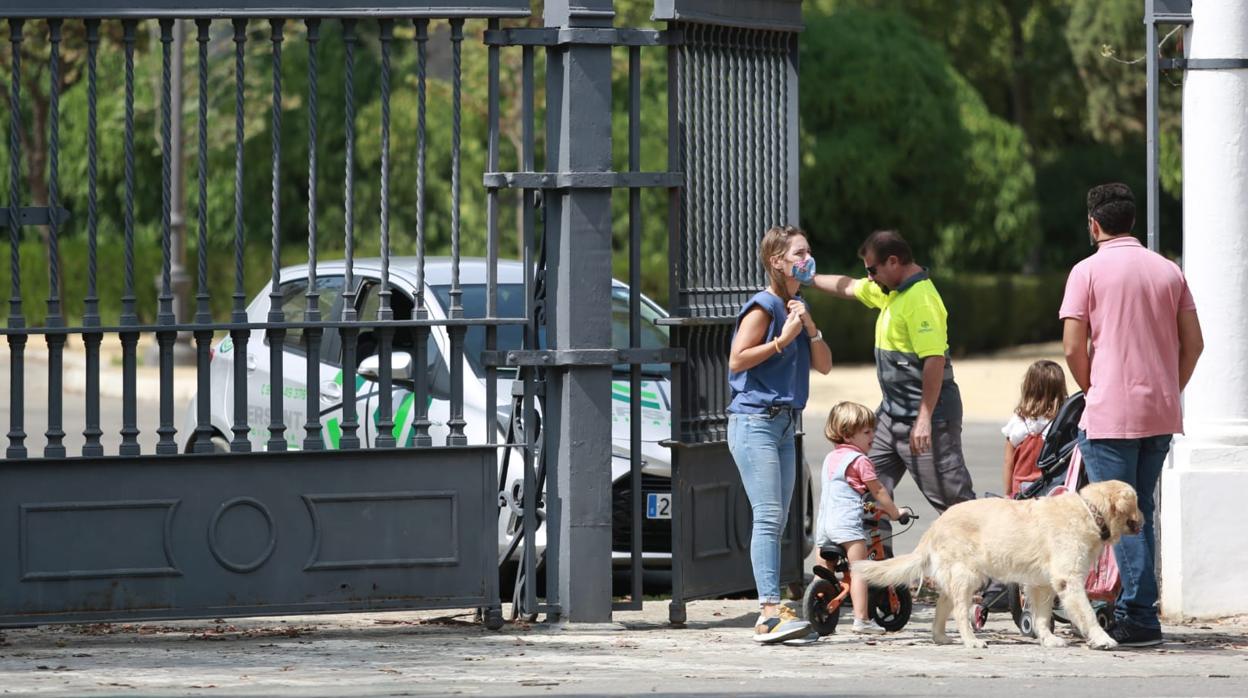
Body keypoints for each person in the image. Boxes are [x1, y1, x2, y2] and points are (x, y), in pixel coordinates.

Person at [1060, 182, 1204, 647]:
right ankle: (1137, 608)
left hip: (1110, 414)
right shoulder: (1169, 271)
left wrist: (1092, 388)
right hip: (1159, 412)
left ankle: (1139, 616)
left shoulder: (1086, 271)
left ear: (1093, 224)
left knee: (1120, 519)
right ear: (1133, 222)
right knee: (1142, 510)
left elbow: (1071, 346)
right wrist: (1169, 387)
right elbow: (1195, 342)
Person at [809, 230, 975, 528]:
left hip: (928, 419)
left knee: (957, 509)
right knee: (863, 490)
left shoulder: (920, 300)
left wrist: (923, 418)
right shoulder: (891, 292)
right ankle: (877, 571)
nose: (869, 277)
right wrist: (807, 277)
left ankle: (995, 574)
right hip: (890, 416)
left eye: (873, 269)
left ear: (894, 262)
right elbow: (847, 287)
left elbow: (934, 361)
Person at [728, 224, 833, 644]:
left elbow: (824, 364)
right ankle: (769, 612)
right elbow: (737, 361)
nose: (807, 260)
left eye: (808, 252)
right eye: (799, 254)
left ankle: (775, 610)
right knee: (769, 517)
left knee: (781, 518)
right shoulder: (764, 308)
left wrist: (807, 326)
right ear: (777, 261)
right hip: (755, 421)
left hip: (785, 424)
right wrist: (780, 340)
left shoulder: (795, 305)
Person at [815, 401, 911, 635]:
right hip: (846, 524)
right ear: (848, 435)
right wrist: (895, 512)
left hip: (825, 523)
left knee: (824, 570)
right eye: (867, 432)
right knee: (860, 569)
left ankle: (817, 604)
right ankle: (861, 620)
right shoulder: (860, 461)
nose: (873, 436)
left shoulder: (831, 459)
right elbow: (878, 491)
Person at [1001, 360, 1068, 498]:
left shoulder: (1018, 421)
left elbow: (1008, 462)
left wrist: (1007, 493)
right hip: (1050, 488)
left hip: (1021, 490)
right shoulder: (1060, 422)